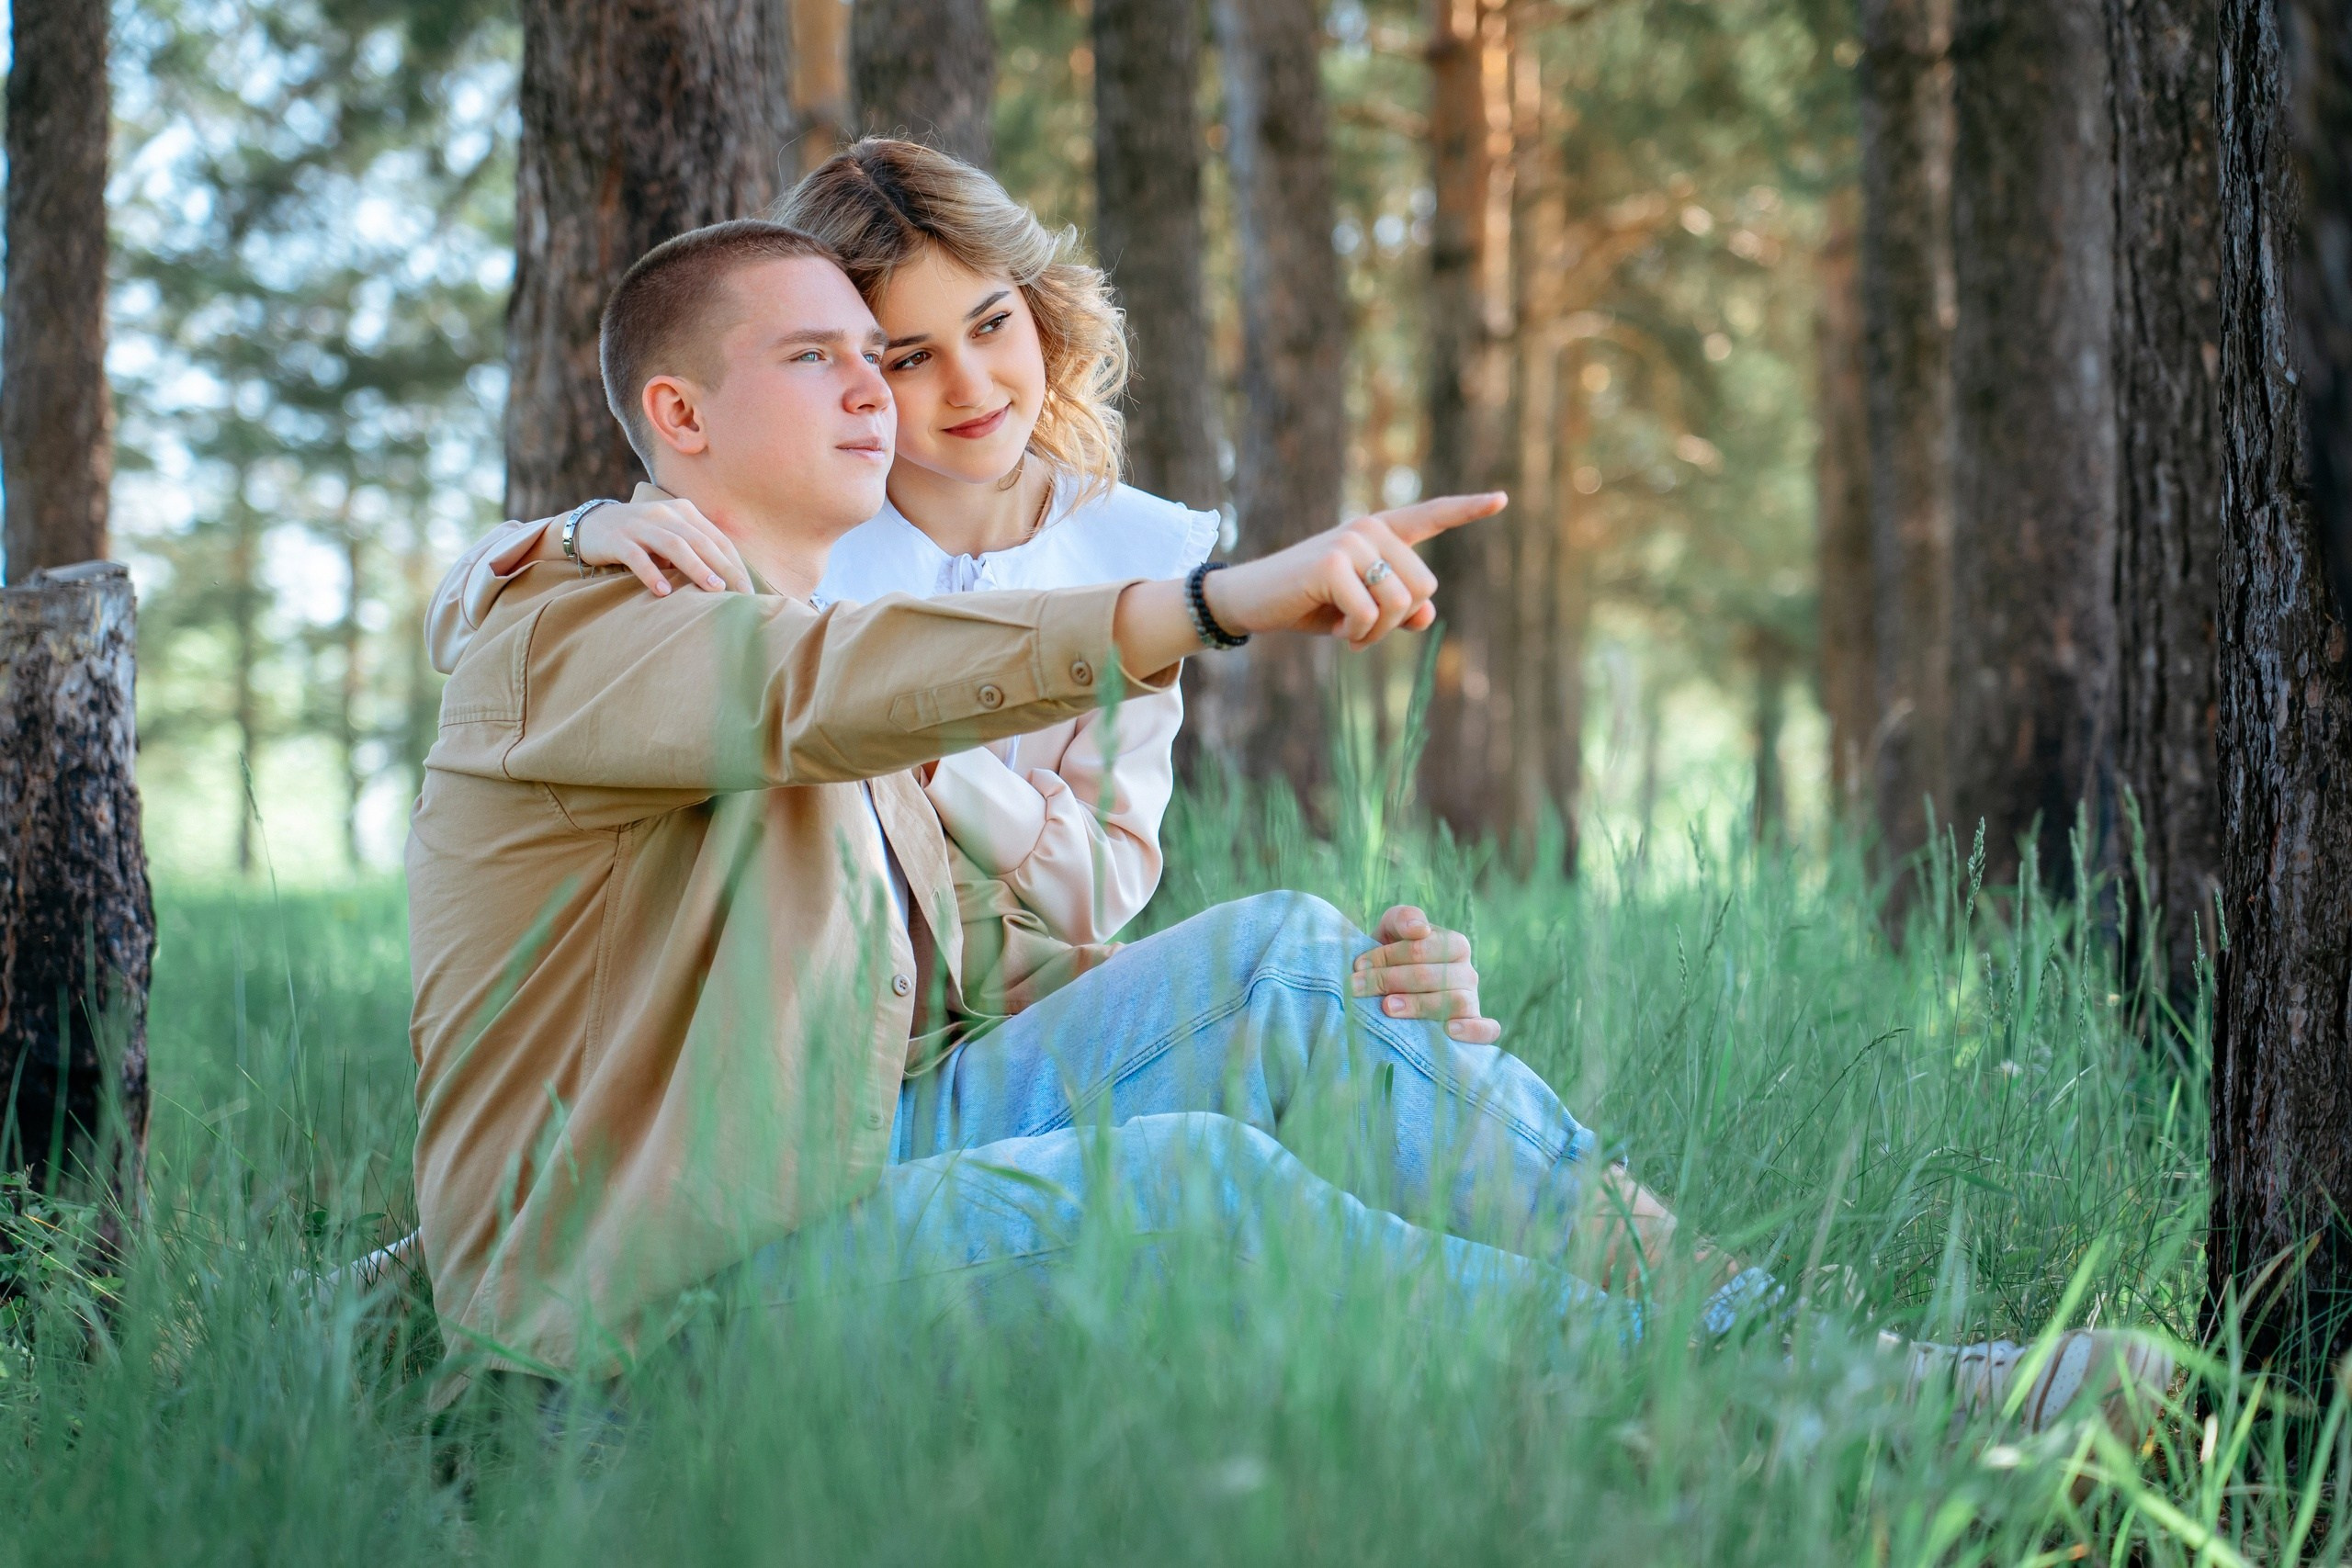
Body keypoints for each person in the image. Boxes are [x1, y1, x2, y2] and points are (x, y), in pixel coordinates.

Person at [405, 216, 2169, 1450]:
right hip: (650, 1313)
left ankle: (1836, 1362)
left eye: (886, 356)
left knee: (1287, 962)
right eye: (823, 359)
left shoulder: (833, 696)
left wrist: (1383, 1016)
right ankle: (1804, 1431)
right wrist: (1224, 599)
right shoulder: (578, 612)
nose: (878, 390)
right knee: (1190, 1182)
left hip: (829, 1167)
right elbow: (820, 684)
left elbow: (982, 981)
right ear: (681, 421)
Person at [426, 140, 1219, 957]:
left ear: (1038, 309)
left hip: (1015, 994)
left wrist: (922, 745)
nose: (971, 385)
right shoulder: (804, 518)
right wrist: (577, 528)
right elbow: (473, 639)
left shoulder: (1134, 549)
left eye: (991, 324)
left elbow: (1101, 894)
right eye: (908, 357)